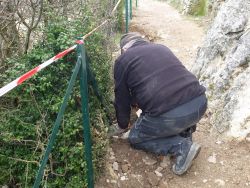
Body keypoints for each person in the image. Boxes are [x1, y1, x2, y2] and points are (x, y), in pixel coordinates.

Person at [113, 32, 207, 175]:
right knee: (171, 113)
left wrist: (122, 124)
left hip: (172, 116)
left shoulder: (123, 60)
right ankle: (184, 131)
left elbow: (122, 97)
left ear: (124, 49)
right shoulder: (161, 48)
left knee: (135, 138)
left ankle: (181, 146)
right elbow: (161, 79)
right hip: (199, 104)